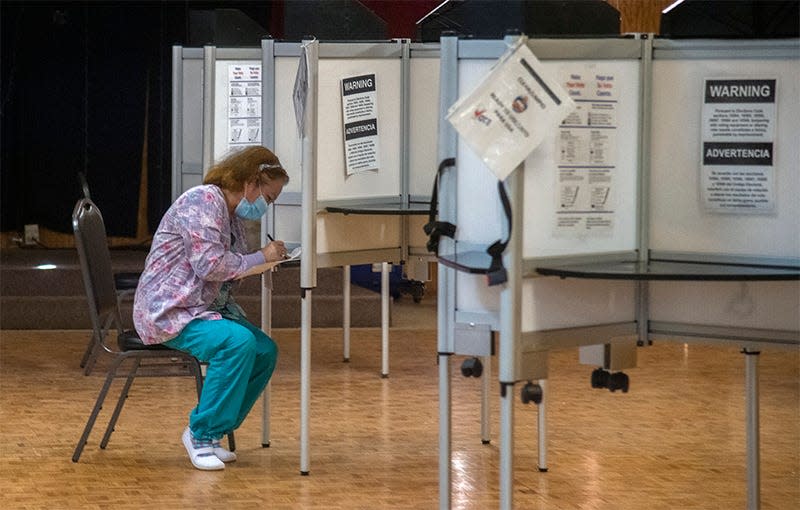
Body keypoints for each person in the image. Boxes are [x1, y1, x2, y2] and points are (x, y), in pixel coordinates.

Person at [133, 145, 289, 470]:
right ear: (250, 182)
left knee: (264, 351)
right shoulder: (203, 201)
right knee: (237, 343)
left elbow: (229, 270)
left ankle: (214, 430)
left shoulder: (230, 216)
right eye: (268, 197)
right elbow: (210, 265)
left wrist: (260, 260)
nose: (265, 206)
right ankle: (199, 434)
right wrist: (261, 257)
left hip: (198, 308)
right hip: (169, 311)